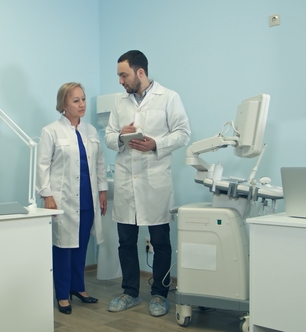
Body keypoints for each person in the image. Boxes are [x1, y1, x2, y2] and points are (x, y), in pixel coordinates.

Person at [104, 50, 191, 317]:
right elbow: (108, 136)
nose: (120, 81)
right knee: (126, 241)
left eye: (124, 75)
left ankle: (159, 295)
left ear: (140, 72)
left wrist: (156, 144)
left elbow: (183, 134)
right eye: (119, 75)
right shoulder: (120, 103)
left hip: (154, 182)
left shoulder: (169, 97)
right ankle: (129, 292)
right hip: (127, 182)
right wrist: (120, 135)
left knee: (160, 242)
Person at [37, 82, 108, 315]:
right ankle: (62, 294)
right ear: (63, 105)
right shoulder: (51, 131)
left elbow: (99, 163)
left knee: (81, 246)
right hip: (62, 200)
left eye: (83, 99)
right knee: (62, 247)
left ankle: (79, 287)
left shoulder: (90, 131)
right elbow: (43, 166)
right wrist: (47, 195)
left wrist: (102, 191)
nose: (82, 104)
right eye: (75, 100)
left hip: (87, 199)